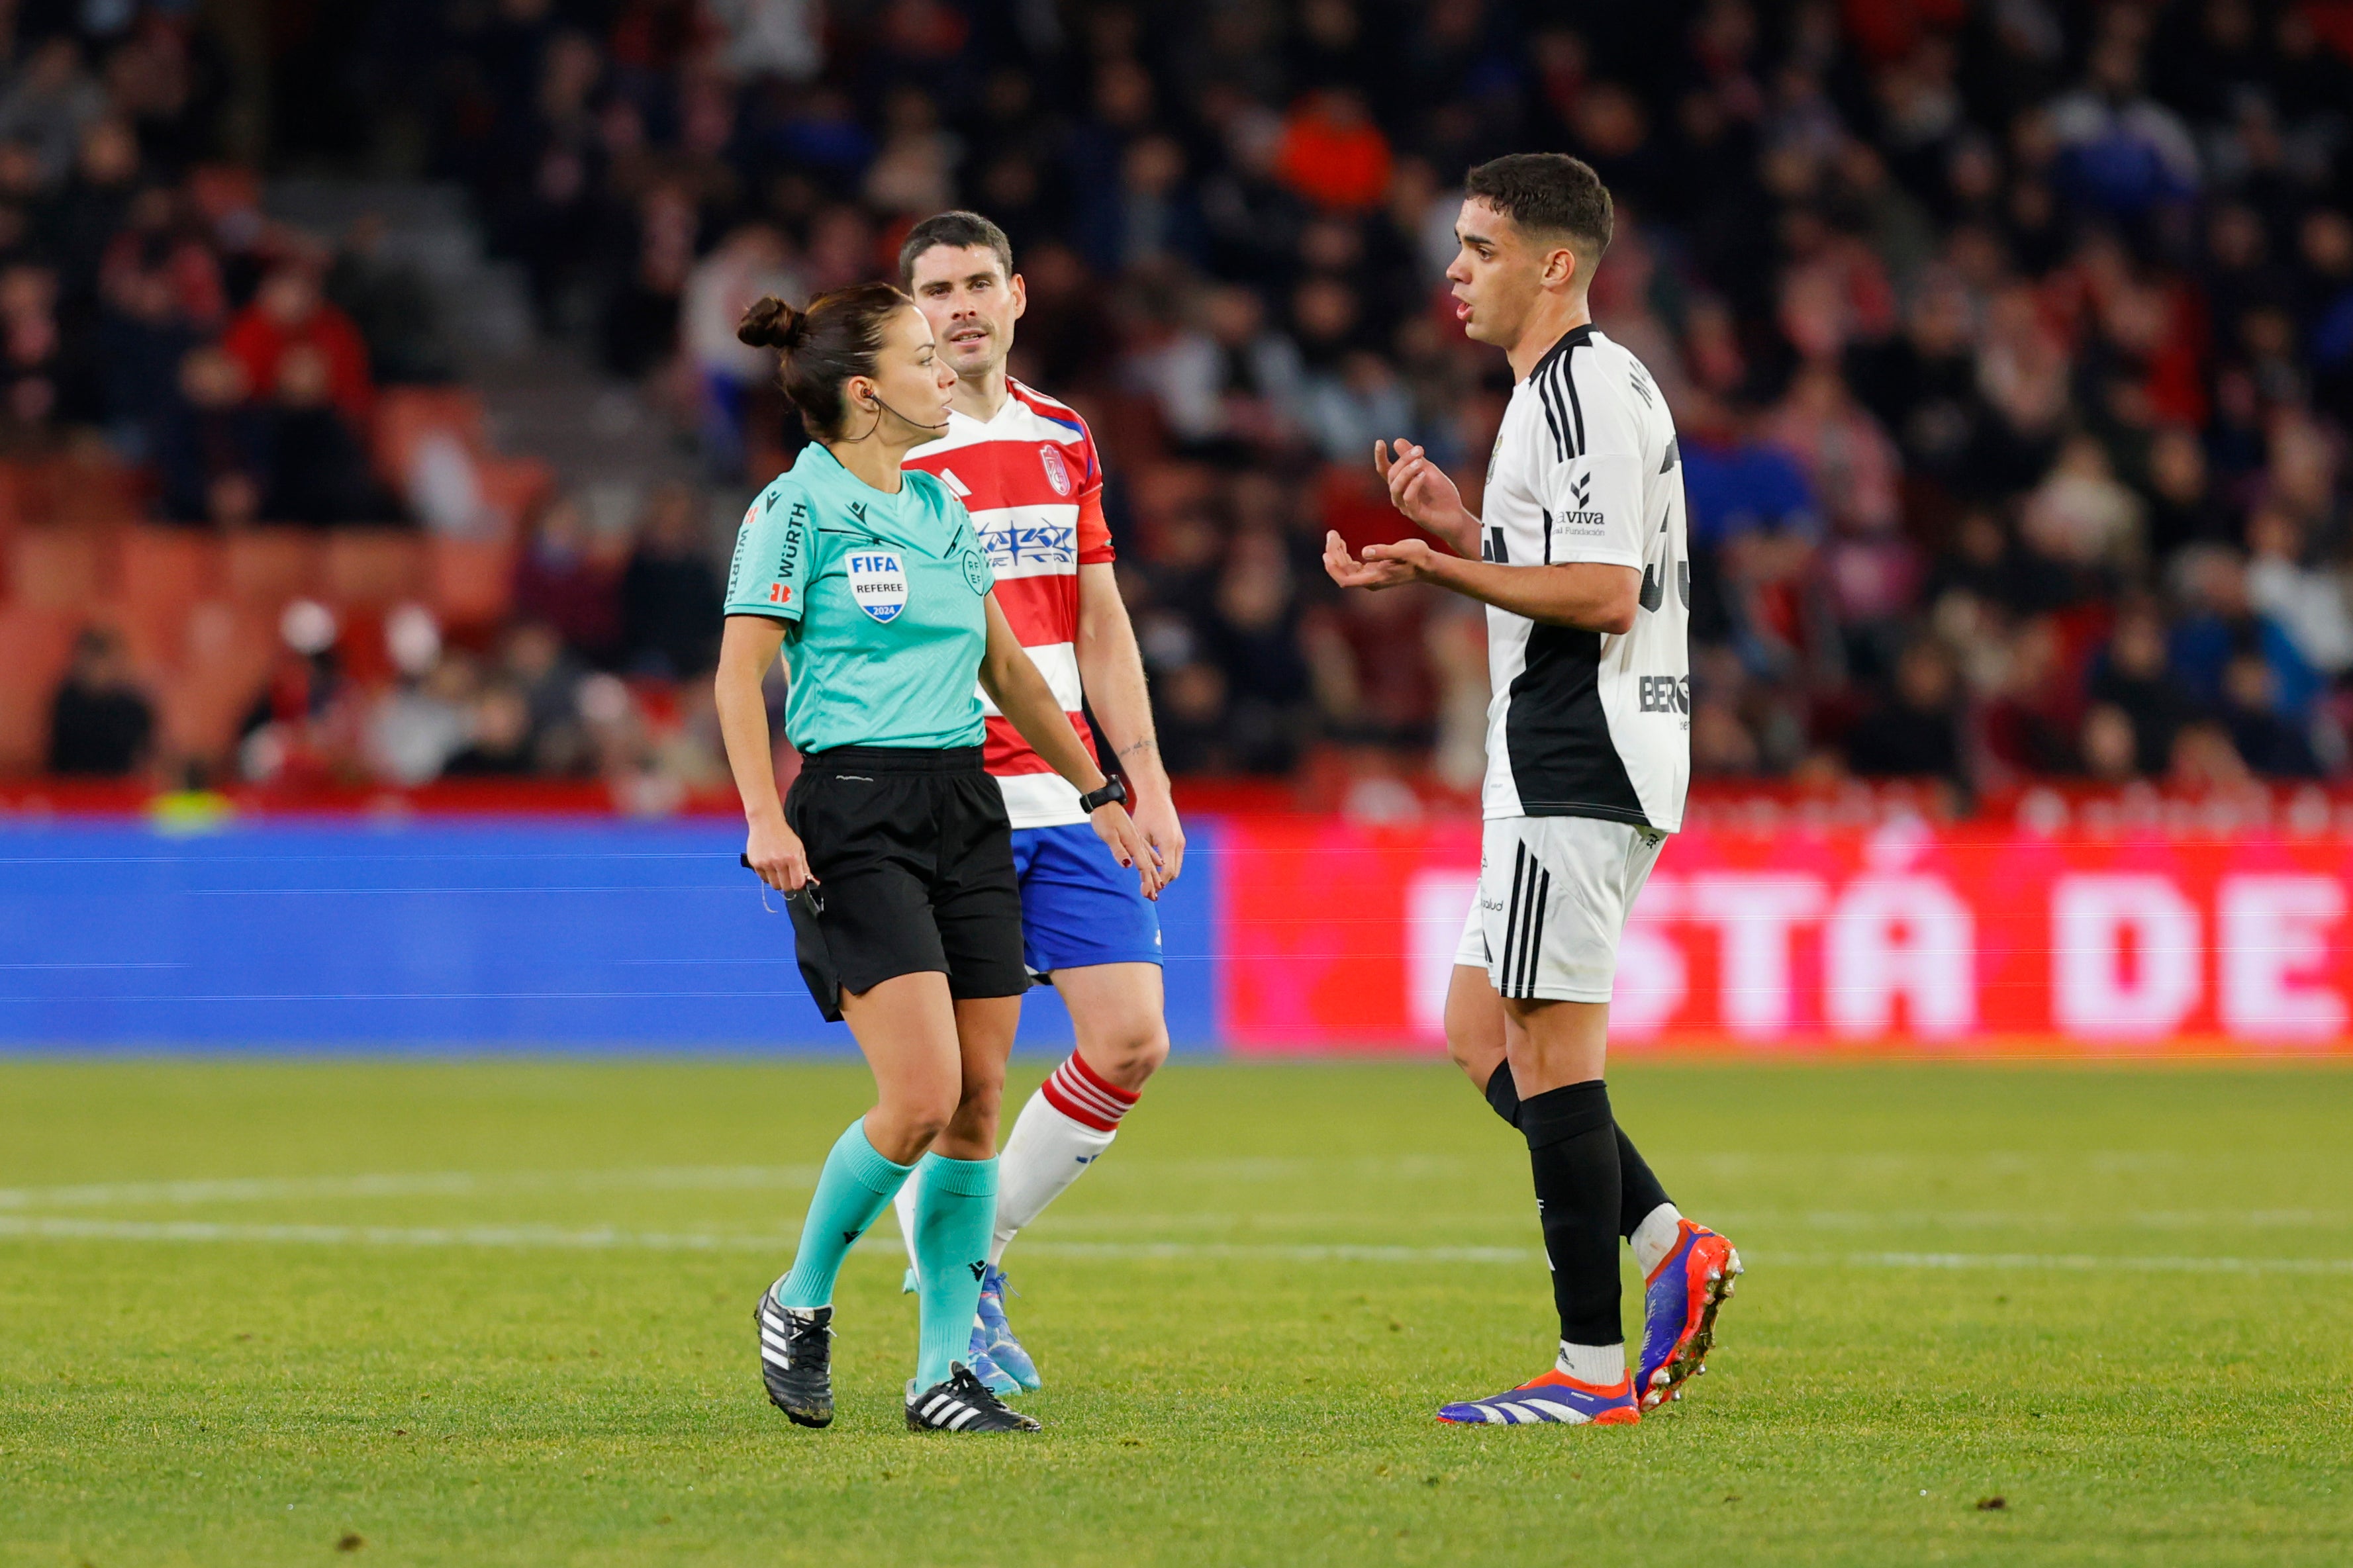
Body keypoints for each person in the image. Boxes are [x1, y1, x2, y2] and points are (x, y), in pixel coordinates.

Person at [1323, 154, 1739, 1426]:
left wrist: (1436, 574)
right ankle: (1670, 1242)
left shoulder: (1577, 393)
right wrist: (1463, 533)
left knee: (1553, 1052)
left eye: (1480, 247)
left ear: (1553, 264)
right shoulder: (1565, 396)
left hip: (1579, 749)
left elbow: (1605, 594)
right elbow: (1570, 568)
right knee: (1478, 1028)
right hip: (1568, 752)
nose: (1454, 270)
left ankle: (1590, 1369)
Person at [714, 280, 1163, 1436]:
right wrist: (765, 815)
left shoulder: (939, 509)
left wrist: (1099, 788)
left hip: (967, 804)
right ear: (866, 395)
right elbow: (735, 675)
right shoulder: (791, 512)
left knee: (972, 1107)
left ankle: (938, 1375)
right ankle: (798, 1295)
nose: (945, 371)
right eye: (922, 357)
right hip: (854, 811)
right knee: (913, 1097)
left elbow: (1009, 672)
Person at [880, 210, 1185, 1397]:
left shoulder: (1064, 435)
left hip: (1072, 794)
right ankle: (961, 1302)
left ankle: (966, 1246)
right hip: (951, 795)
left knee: (1132, 1038)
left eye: (975, 284)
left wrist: (1143, 776)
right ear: (913, 314)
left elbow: (1098, 621)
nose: (958, 306)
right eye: (935, 290)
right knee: (967, 1087)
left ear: (1017, 297)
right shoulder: (886, 452)